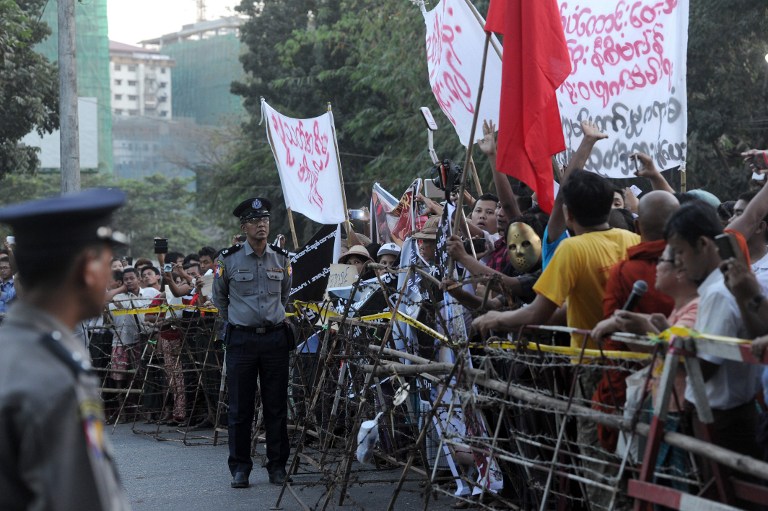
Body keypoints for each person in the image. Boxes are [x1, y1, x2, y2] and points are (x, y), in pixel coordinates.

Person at [0, 188, 130, 510]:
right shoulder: (56, 375)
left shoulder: (12, 348)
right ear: (88, 267)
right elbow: (81, 499)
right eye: (107, 261)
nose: (111, 274)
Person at [212, 197, 292, 489]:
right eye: (255, 221)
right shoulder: (229, 259)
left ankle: (277, 466)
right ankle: (240, 468)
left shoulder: (282, 258)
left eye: (266, 220)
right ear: (244, 226)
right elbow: (219, 297)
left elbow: (285, 295)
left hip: (274, 339)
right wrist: (238, 318)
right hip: (242, 340)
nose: (262, 225)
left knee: (276, 406)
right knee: (240, 408)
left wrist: (269, 317)